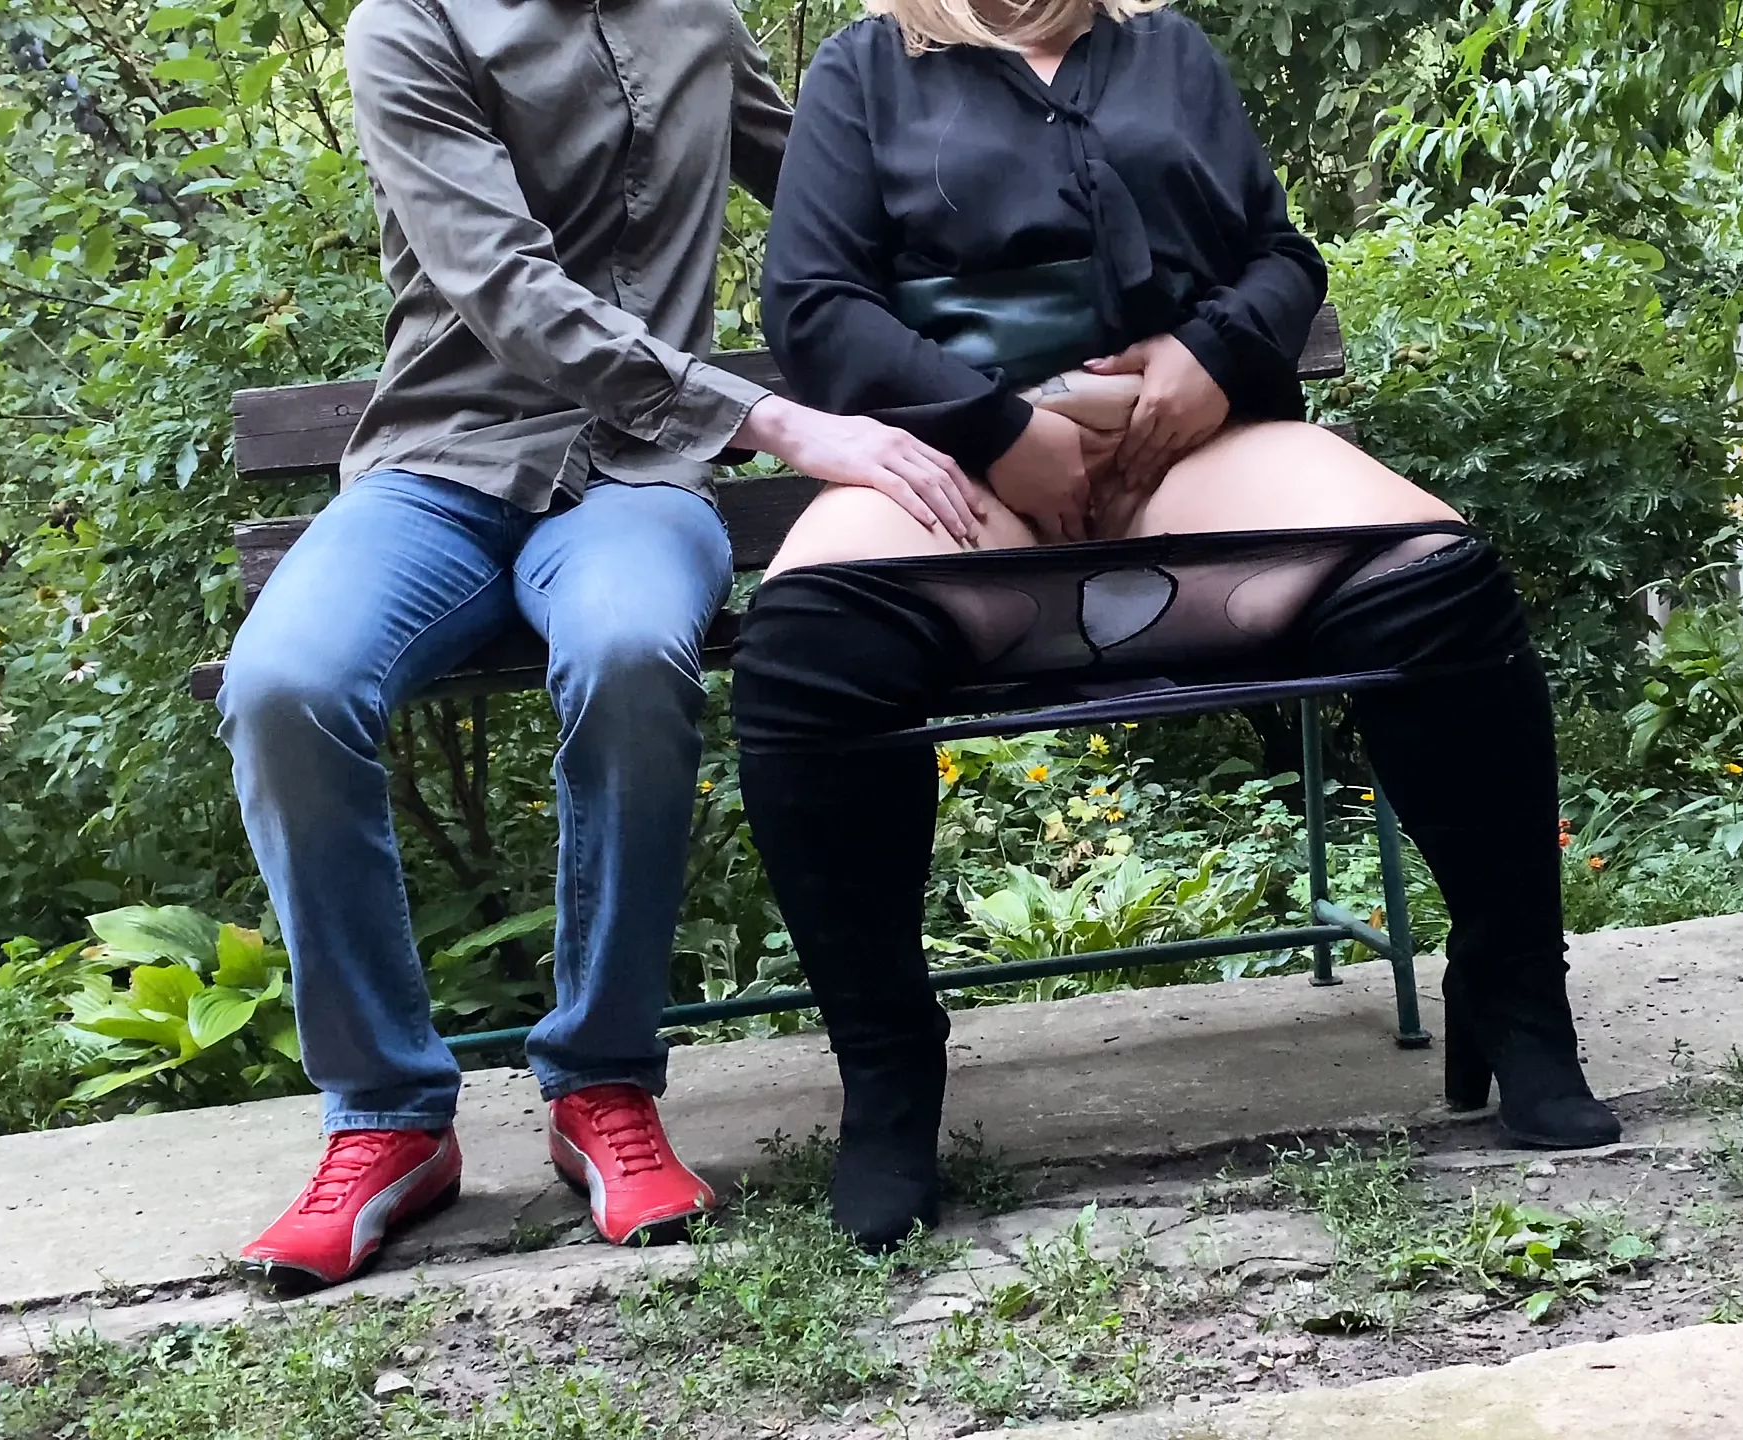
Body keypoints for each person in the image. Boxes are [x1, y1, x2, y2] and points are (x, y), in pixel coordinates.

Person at [731, 0, 1622, 1253]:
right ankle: (889, 1077)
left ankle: (1514, 993)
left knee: (1432, 581)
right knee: (809, 648)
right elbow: (815, 306)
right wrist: (996, 425)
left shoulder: (1166, 48)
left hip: (1183, 456)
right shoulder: (865, 68)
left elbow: (1279, 254)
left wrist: (1212, 353)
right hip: (961, 468)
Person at [219, 0, 985, 1289]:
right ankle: (387, 1119)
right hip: (439, 470)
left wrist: (1043, 256)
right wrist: (775, 420)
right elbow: (505, 287)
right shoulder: (410, 23)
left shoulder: (695, 18)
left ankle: (602, 1086)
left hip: (641, 477)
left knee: (631, 656)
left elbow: (840, 194)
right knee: (284, 685)